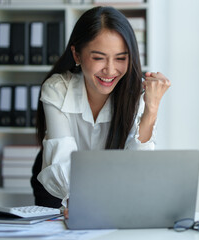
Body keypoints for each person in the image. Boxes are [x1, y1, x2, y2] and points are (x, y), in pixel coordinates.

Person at [30, 6, 170, 209]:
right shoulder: (57, 89)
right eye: (98, 58)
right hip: (58, 184)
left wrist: (152, 108)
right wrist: (89, 205)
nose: (110, 70)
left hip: (110, 190)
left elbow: (139, 168)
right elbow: (62, 165)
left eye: (121, 58)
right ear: (76, 55)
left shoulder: (136, 93)